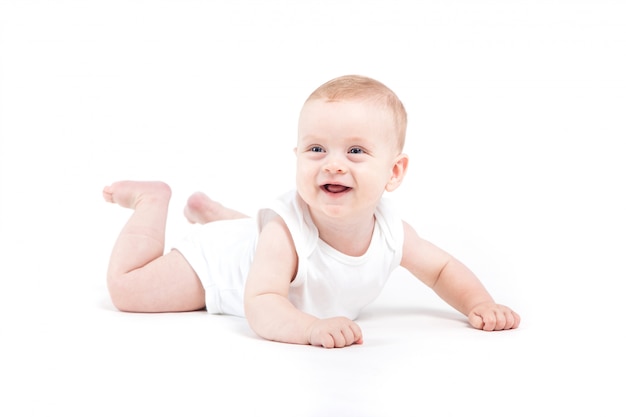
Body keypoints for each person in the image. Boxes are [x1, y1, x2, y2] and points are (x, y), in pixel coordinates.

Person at [103, 75, 520, 349]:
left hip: (251, 239)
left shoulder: (393, 232)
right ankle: (152, 202)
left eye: (355, 151)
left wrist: (478, 303)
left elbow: (442, 269)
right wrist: (309, 328)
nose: (332, 164)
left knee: (254, 234)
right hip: (216, 267)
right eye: (316, 149)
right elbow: (261, 302)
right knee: (127, 290)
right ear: (298, 155)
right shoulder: (286, 234)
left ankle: (216, 213)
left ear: (394, 172)